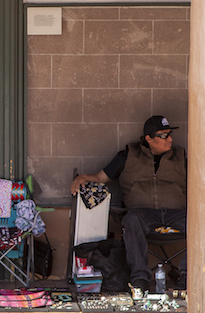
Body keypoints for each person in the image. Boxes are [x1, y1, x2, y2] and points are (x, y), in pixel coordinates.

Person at [70, 115, 187, 291]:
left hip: (176, 213)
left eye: (170, 134)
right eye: (164, 135)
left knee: (201, 220)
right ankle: (139, 279)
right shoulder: (128, 155)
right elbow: (101, 177)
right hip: (143, 214)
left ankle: (188, 275)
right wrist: (83, 177)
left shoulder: (180, 157)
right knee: (131, 219)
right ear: (149, 138)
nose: (169, 139)